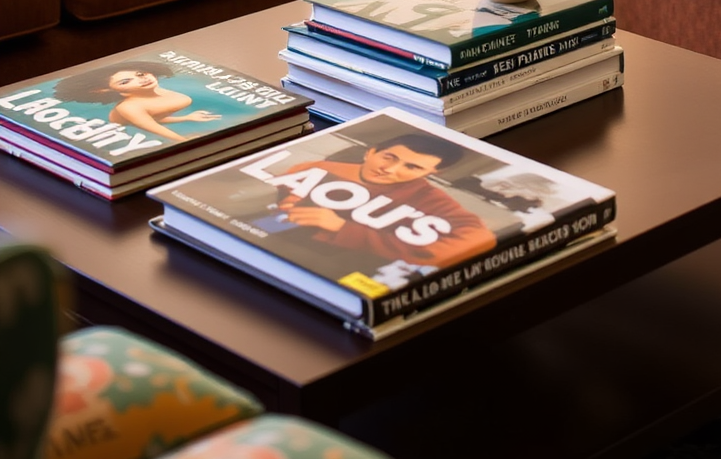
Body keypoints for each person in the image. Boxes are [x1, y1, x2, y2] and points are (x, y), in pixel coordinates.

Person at [275, 132, 498, 270]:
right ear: (369, 153)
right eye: (388, 158)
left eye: (412, 167)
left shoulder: (429, 198)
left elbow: (478, 240)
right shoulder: (315, 169)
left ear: (431, 173)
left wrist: (343, 228)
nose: (389, 170)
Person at [53, 60, 222, 142]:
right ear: (103, 90)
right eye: (125, 82)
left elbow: (156, 118)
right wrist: (183, 140)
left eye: (140, 74)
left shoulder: (155, 90)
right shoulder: (130, 108)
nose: (142, 80)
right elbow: (151, 126)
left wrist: (186, 118)